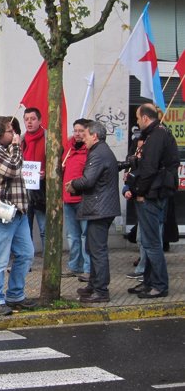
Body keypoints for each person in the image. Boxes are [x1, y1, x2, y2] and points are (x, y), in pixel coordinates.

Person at [0, 117, 35, 316]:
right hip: (0, 213)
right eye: (9, 131)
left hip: (18, 211)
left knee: (26, 254)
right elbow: (12, 170)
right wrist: (16, 147)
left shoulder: (6, 150)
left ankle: (15, 295)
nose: (13, 134)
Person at [124, 104, 179, 299]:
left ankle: (159, 285)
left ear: (146, 118)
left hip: (151, 196)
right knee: (147, 242)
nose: (137, 122)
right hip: (151, 193)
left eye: (138, 118)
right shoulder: (153, 135)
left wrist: (138, 191)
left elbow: (149, 168)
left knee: (152, 243)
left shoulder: (156, 136)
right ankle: (148, 282)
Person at [66, 121, 121, 303]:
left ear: (95, 136)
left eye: (87, 135)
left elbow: (88, 180)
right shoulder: (100, 151)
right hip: (100, 207)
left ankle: (101, 290)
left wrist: (73, 184)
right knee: (91, 247)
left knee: (97, 250)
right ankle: (93, 284)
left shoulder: (98, 153)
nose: (84, 138)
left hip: (100, 208)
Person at [61, 118, 91, 280]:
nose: (77, 134)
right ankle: (74, 266)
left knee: (85, 235)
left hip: (83, 199)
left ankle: (87, 268)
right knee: (72, 236)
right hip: (68, 199)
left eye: (81, 131)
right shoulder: (68, 148)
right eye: (75, 131)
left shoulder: (90, 150)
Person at [21, 107, 46, 256]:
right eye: (26, 119)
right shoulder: (22, 141)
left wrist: (46, 174)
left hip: (42, 190)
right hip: (24, 191)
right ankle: (27, 261)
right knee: (25, 229)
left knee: (44, 228)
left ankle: (48, 261)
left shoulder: (48, 138)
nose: (29, 122)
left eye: (33, 119)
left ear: (40, 120)